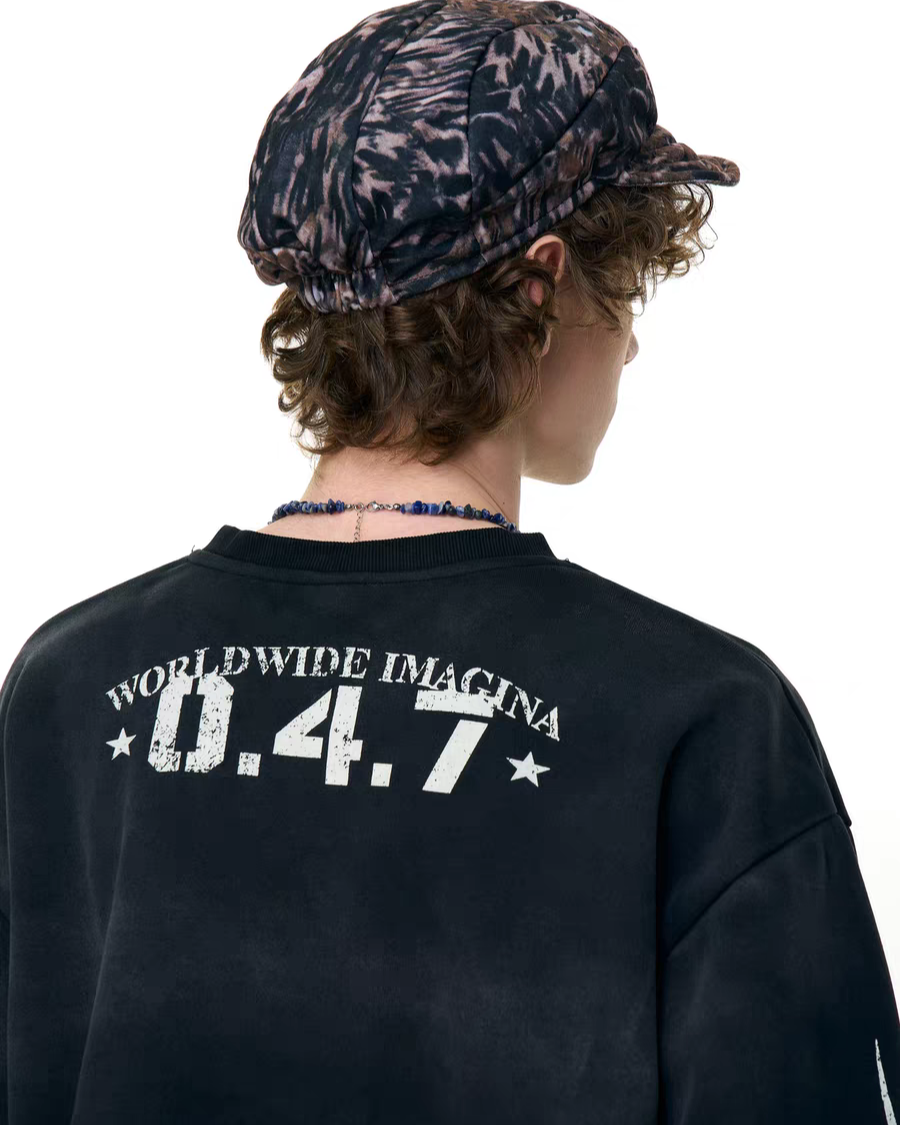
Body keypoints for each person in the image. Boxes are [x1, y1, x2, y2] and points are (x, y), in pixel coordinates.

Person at [1, 1, 898, 1121]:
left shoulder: (69, 687)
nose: (631, 339)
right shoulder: (702, 723)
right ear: (540, 283)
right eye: (628, 284)